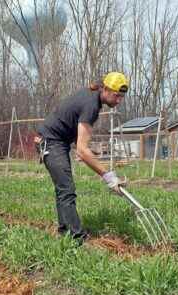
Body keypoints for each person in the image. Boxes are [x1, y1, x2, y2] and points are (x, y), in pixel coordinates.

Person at [36, 72, 128, 244]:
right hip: (51, 142)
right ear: (106, 89)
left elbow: (81, 141)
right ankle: (77, 238)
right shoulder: (91, 105)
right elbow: (82, 151)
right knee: (66, 189)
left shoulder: (93, 97)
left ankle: (65, 232)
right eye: (116, 95)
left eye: (121, 97)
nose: (118, 100)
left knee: (63, 189)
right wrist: (108, 176)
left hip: (58, 141)